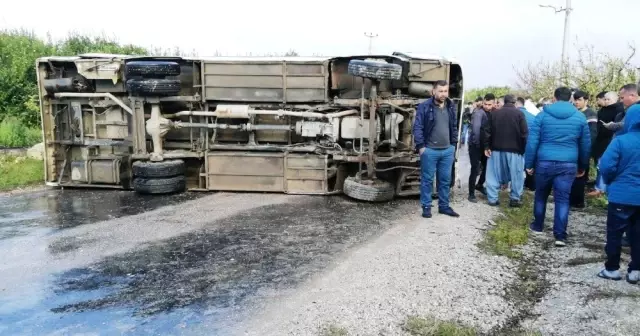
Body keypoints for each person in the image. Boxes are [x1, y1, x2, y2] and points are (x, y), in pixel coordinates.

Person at [525, 87, 591, 247]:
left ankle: (538, 225)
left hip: (544, 161)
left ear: (554, 98)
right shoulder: (580, 117)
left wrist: (529, 164)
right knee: (562, 198)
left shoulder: (542, 116)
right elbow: (585, 144)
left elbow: (532, 142)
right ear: (570, 99)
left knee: (541, 194)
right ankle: (560, 235)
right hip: (568, 163)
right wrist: (583, 165)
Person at [596, 103, 640, 283]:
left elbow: (606, 167)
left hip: (621, 195)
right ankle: (635, 270)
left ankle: (612, 269)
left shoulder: (620, 141)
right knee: (638, 234)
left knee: (615, 233)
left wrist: (610, 181)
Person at [413, 80, 460, 218]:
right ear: (433, 91)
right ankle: (426, 207)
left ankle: (444, 206)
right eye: (440, 91)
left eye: (445, 91)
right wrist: (421, 147)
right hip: (430, 151)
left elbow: (454, 126)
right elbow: (418, 127)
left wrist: (453, 145)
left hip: (447, 151)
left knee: (445, 180)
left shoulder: (451, 106)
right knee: (427, 180)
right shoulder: (424, 106)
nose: (443, 94)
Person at [483, 95, 529, 207]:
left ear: (504, 102)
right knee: (516, 175)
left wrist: (486, 147)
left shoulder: (494, 113)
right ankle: (515, 199)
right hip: (514, 150)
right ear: (515, 102)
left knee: (492, 174)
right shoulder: (519, 114)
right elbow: (524, 134)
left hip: (496, 148)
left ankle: (492, 199)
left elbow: (486, 131)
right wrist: (522, 149)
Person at [589, 91, 625, 197]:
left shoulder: (618, 110)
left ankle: (600, 188)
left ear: (615, 99)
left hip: (609, 140)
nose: (606, 101)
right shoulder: (602, 110)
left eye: (608, 99)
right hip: (600, 140)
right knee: (599, 164)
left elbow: (618, 126)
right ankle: (600, 186)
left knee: (603, 164)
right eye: (605, 99)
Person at [569, 90, 598, 208]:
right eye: (575, 100)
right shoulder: (573, 112)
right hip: (571, 148)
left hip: (583, 148)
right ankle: (570, 199)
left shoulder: (590, 113)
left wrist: (587, 149)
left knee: (581, 175)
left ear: (586, 100)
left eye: (579, 100)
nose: (576, 102)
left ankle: (578, 201)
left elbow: (592, 134)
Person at [467, 94, 494, 202]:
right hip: (476, 145)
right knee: (475, 169)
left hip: (485, 146)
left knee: (487, 167)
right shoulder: (479, 113)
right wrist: (478, 146)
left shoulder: (491, 113)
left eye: (489, 104)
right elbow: (476, 130)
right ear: (483, 103)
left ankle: (479, 185)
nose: (487, 106)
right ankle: (471, 193)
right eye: (486, 104)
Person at [517, 97, 537, 191]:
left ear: (516, 104)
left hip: (517, 145)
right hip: (530, 144)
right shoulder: (533, 117)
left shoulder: (515, 115)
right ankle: (531, 185)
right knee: (529, 165)